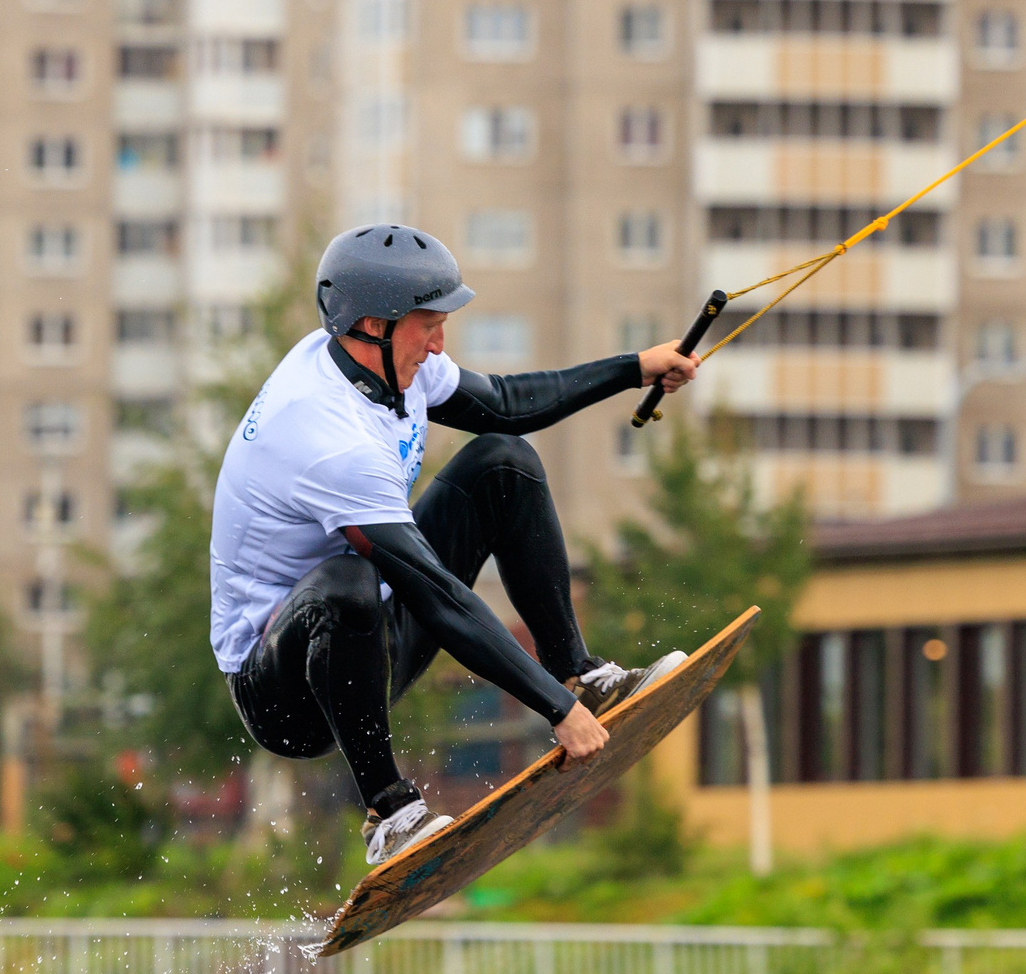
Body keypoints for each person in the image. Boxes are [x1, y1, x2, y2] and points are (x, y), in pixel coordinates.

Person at [209, 224, 702, 865]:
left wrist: (633, 369)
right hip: (284, 691)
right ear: (370, 325)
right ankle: (391, 812)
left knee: (504, 461)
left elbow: (505, 405)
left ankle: (580, 674)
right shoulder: (325, 437)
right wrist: (550, 713)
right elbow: (435, 594)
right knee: (347, 583)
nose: (440, 343)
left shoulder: (389, 365)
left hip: (371, 639)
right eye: (427, 325)